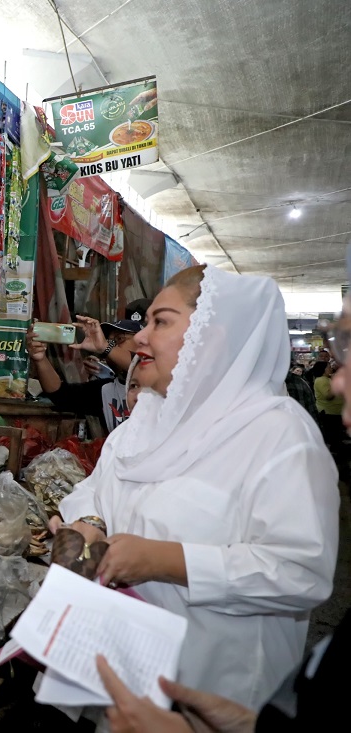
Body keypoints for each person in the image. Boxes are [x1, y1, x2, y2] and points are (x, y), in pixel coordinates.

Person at [50, 264, 339, 715]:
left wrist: (163, 560)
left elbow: (300, 571)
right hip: (124, 677)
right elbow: (98, 488)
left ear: (214, 336)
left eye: (160, 322)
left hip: (212, 698)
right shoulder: (147, 420)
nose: (140, 338)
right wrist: (89, 523)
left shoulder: (278, 435)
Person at [28, 300, 149, 434]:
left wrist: (105, 347)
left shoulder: (162, 383)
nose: (111, 346)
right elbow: (59, 394)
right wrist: (40, 359)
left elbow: (140, 364)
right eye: (109, 341)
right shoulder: (106, 390)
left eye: (119, 340)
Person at [314, 360, 345, 448]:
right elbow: (328, 395)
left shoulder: (327, 378)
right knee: (334, 436)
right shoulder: (321, 380)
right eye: (328, 367)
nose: (330, 368)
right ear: (323, 369)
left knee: (337, 435)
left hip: (335, 411)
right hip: (329, 412)